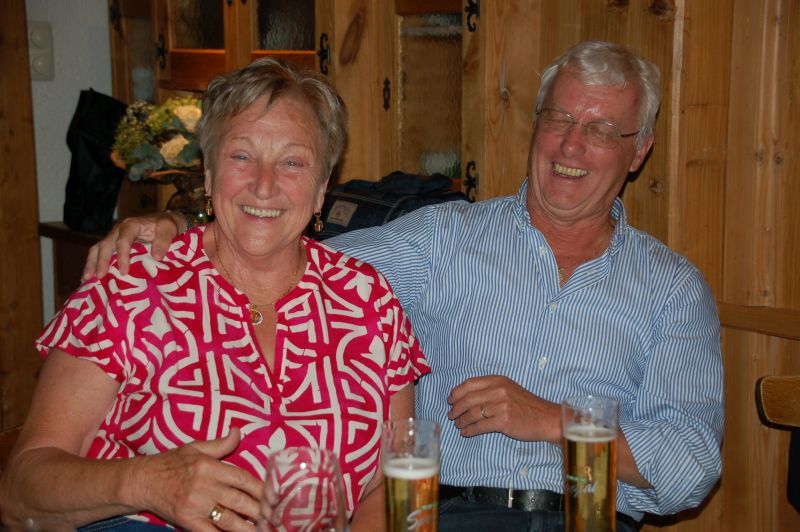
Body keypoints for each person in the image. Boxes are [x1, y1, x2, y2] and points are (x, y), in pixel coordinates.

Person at [80, 41, 723, 531]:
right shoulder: (444, 239)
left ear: (640, 150)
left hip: (590, 518)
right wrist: (180, 224)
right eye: (559, 118)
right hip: (454, 514)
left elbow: (693, 465)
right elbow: (280, 245)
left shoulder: (671, 289)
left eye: (603, 130)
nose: (572, 146)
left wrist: (555, 421)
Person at [0, 58, 429, 531]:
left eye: (292, 162)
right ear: (208, 175)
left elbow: (393, 483)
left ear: (322, 186)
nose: (264, 185)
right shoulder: (129, 282)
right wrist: (148, 483)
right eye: (242, 156)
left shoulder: (367, 298)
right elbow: (19, 491)